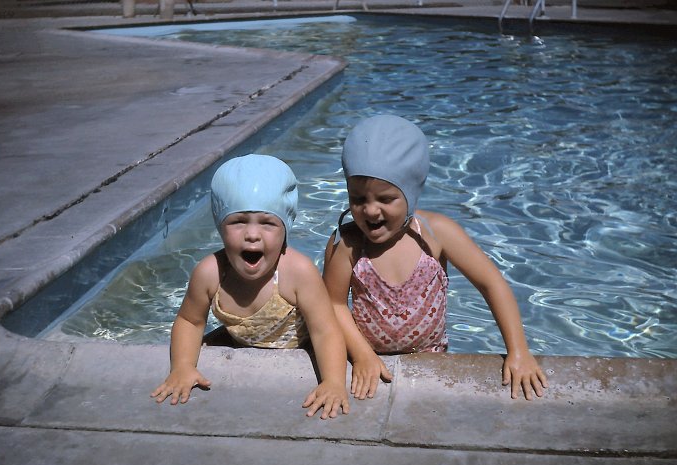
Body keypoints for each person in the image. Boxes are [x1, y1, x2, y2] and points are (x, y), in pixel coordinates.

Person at [322, 115, 548, 401]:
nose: (370, 211)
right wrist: (363, 355)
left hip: (431, 356)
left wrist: (519, 351)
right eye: (358, 199)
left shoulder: (436, 234)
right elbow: (333, 303)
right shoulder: (348, 243)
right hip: (369, 356)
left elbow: (492, 283)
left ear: (411, 192)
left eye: (386, 199)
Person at [151, 154, 350, 419]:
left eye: (268, 223)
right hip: (241, 340)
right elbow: (189, 321)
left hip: (300, 346)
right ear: (220, 226)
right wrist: (183, 366)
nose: (252, 234)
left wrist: (333, 382)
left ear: (285, 228)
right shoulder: (210, 273)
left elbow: (326, 331)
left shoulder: (297, 273)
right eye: (238, 221)